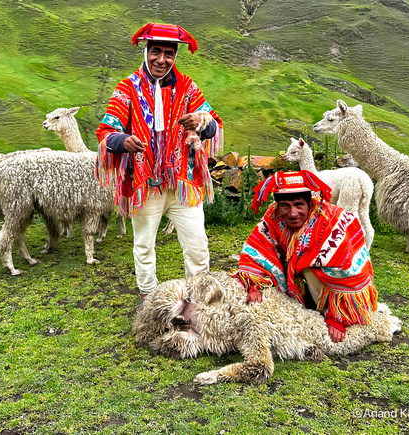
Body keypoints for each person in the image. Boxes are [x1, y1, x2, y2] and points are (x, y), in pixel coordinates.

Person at [95, 23, 223, 310]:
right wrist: (123, 140)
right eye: (156, 51)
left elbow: (214, 123)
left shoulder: (188, 88)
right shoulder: (127, 88)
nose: (161, 59)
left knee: (197, 244)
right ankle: (149, 296)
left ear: (175, 56)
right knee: (144, 245)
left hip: (183, 181)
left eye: (168, 53)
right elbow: (106, 131)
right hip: (142, 183)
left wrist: (201, 123)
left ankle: (198, 298)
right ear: (146, 51)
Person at [231, 170, 378, 343]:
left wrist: (337, 317)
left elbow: (345, 270)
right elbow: (259, 246)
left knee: (309, 266)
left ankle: (330, 311)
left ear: (310, 203)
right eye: (285, 206)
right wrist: (254, 284)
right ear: (278, 206)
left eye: (299, 205)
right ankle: (300, 301)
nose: (293, 213)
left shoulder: (330, 222)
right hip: (302, 280)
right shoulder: (274, 217)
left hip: (339, 281)